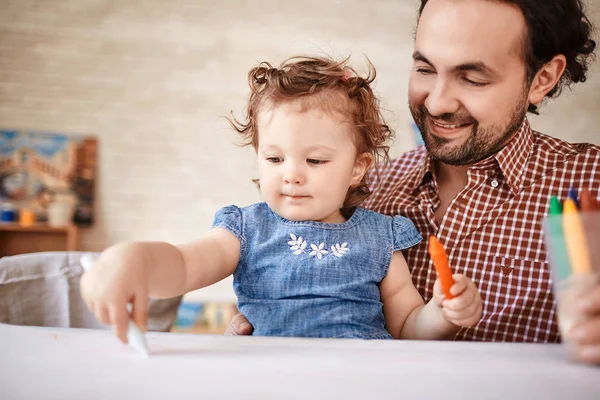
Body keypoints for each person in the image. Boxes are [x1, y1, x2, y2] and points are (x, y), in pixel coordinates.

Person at [226, 0, 600, 364]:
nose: (437, 103)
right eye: (425, 69)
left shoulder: (590, 181)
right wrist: (264, 327)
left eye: (472, 78)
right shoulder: (359, 193)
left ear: (542, 79)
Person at [80, 56, 483, 341]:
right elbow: (186, 264)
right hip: (268, 379)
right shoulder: (247, 229)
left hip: (362, 380)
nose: (291, 173)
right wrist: (134, 259)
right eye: (274, 157)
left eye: (315, 159)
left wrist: (442, 315)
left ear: (357, 168)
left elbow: (406, 326)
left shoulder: (381, 238)